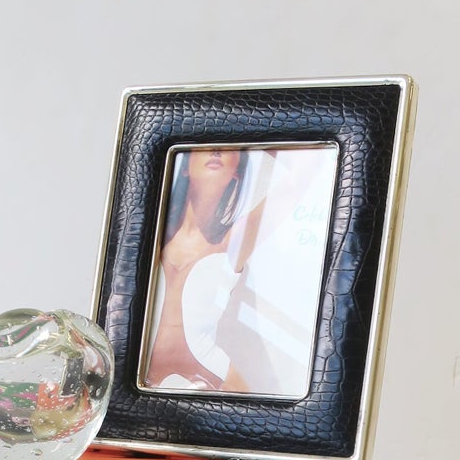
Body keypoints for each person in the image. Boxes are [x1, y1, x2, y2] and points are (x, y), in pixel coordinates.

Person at [142, 144, 337, 398]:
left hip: (213, 378)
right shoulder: (147, 233)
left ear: (237, 172)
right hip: (137, 386)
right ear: (184, 165)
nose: (216, 150)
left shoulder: (233, 242)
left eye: (227, 148)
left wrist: (248, 134)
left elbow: (305, 169)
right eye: (206, 144)